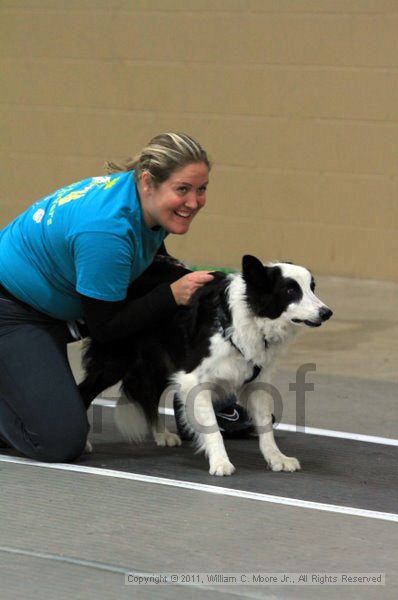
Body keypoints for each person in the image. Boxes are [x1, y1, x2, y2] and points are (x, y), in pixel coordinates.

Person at [0, 132, 253, 463]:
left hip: (51, 302)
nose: (193, 202)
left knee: (171, 303)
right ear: (148, 182)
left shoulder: (144, 201)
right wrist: (171, 294)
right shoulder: (108, 232)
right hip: (14, 310)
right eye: (183, 189)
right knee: (59, 441)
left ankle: (205, 401)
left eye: (201, 189)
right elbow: (106, 327)